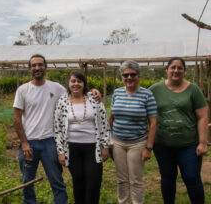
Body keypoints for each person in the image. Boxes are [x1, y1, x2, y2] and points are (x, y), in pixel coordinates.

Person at [149, 57, 208, 204]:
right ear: (167, 70)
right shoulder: (155, 90)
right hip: (162, 144)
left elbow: (202, 117)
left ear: (184, 71)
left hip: (189, 145)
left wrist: (202, 142)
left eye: (180, 68)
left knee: (191, 177)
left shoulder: (193, 90)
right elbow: (140, 103)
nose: (176, 70)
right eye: (173, 67)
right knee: (167, 177)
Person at [13, 54, 69, 204]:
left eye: (40, 65)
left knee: (56, 180)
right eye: (34, 65)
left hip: (50, 142)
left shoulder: (56, 88)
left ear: (46, 67)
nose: (37, 68)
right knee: (27, 182)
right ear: (29, 69)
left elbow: (76, 93)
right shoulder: (23, 90)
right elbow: (17, 118)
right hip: (29, 143)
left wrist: (92, 92)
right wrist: (24, 143)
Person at [54, 71, 112, 204]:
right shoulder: (62, 102)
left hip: (93, 146)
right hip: (72, 147)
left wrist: (105, 146)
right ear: (68, 84)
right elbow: (57, 128)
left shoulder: (94, 99)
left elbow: (104, 123)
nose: (76, 84)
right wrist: (61, 151)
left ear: (84, 84)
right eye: (73, 81)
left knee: (94, 181)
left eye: (79, 81)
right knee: (78, 180)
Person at [109, 60, 157, 204]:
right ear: (122, 77)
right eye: (125, 75)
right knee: (122, 179)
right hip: (118, 142)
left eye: (132, 74)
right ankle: (123, 202)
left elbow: (153, 123)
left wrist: (148, 148)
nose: (129, 78)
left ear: (138, 76)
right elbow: (111, 117)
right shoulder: (117, 93)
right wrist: (108, 140)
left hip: (137, 143)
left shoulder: (147, 95)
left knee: (135, 180)